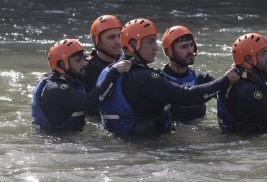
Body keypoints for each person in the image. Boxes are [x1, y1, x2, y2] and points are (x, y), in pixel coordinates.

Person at [98, 19, 241, 136]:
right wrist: (226, 79)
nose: (155, 47)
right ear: (132, 44)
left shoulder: (108, 71)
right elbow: (188, 97)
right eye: (150, 41)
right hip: (145, 148)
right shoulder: (144, 77)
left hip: (120, 142)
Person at [31, 39, 131, 131]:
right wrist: (113, 71)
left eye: (83, 58)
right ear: (62, 65)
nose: (85, 63)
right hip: (54, 143)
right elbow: (91, 102)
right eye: (78, 60)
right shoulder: (55, 89)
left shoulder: (70, 80)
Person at [161, 25, 215, 121]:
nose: (191, 50)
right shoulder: (159, 79)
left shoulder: (201, 78)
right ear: (169, 52)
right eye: (184, 47)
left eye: (191, 45)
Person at [79, 14, 124, 91]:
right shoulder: (84, 69)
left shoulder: (128, 62)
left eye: (120, 36)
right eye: (111, 37)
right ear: (95, 40)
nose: (118, 42)